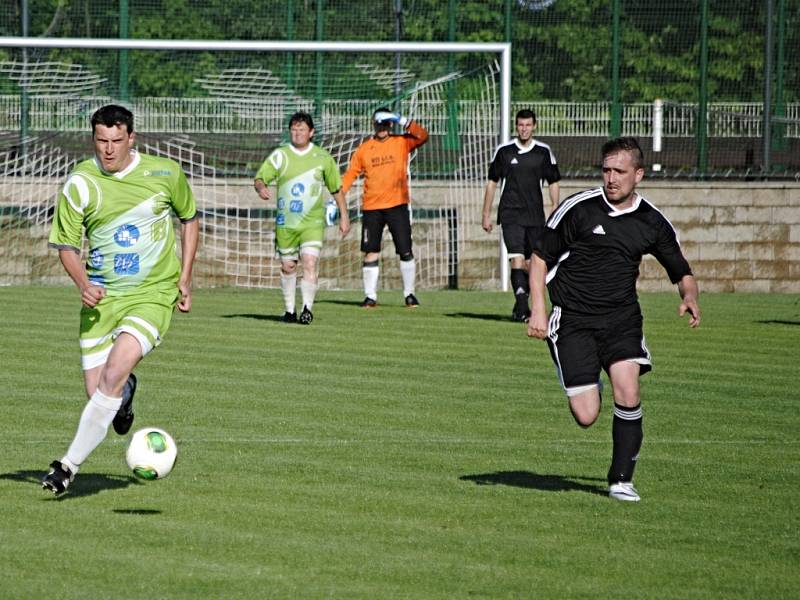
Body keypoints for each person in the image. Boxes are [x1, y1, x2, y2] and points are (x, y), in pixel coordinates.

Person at [527, 137, 700, 502]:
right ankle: (588, 380)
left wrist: (689, 296)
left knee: (629, 388)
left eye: (619, 171)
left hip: (621, 319)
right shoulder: (580, 209)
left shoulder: (652, 222)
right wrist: (539, 309)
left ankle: (621, 480)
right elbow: (540, 258)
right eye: (606, 170)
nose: (611, 178)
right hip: (572, 320)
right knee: (586, 414)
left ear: (638, 174)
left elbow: (681, 270)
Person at [42, 104, 199, 494]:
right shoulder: (80, 182)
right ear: (92, 139)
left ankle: (67, 467)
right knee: (100, 394)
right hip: (102, 298)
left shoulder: (165, 174)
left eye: (116, 141)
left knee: (113, 374)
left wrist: (184, 276)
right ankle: (125, 396)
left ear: (132, 138)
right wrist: (83, 283)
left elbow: (190, 218)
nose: (108, 150)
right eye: (101, 141)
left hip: (152, 293)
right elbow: (65, 244)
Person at [254, 111, 350, 324]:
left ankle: (307, 309)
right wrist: (261, 188)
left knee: (309, 262)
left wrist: (344, 216)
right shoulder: (280, 155)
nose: (297, 133)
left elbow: (336, 189)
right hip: (286, 223)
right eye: (294, 129)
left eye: (302, 129)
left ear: (311, 132)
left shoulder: (323, 158)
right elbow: (260, 178)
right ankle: (290, 311)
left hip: (312, 223)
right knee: (288, 266)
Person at [341, 107, 428, 308]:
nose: (381, 127)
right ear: (373, 125)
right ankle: (370, 296)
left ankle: (409, 294)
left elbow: (423, 136)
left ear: (390, 124)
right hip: (372, 208)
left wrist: (402, 119)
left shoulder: (401, 142)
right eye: (378, 123)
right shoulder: (364, 149)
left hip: (397, 205)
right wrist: (336, 198)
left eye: (385, 123)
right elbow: (350, 174)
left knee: (405, 250)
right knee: (371, 251)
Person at [482, 108, 561, 322]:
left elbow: (553, 181)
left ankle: (522, 306)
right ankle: (522, 307)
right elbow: (492, 183)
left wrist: (555, 206)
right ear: (516, 126)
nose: (524, 129)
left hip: (535, 216)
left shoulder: (543, 152)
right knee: (516, 258)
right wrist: (485, 214)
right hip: (510, 213)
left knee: (532, 263)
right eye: (520, 125)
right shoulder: (505, 151)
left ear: (534, 126)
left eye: (527, 125)